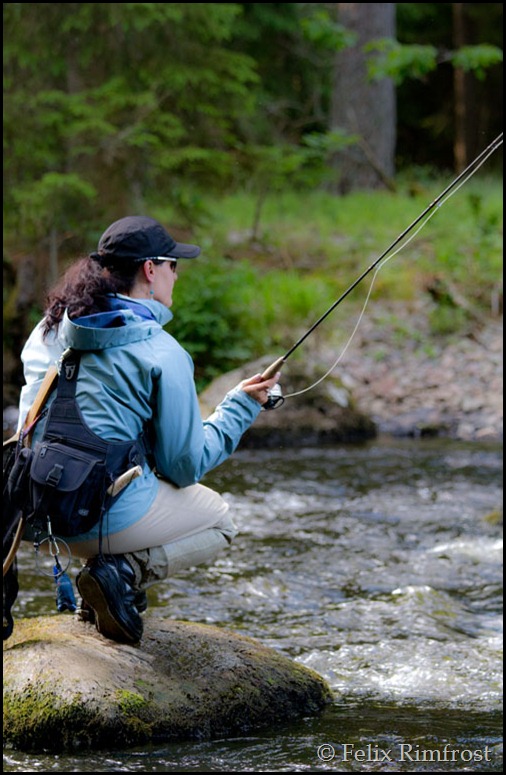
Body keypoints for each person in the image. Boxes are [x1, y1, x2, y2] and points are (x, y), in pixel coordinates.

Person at [16, 215, 280, 644]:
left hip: (33, 516)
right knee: (219, 521)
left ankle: (99, 588)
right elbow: (185, 466)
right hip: (96, 520)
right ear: (150, 269)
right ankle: (120, 574)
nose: (177, 275)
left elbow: (31, 426)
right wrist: (241, 407)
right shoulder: (162, 351)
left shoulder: (51, 329)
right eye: (174, 265)